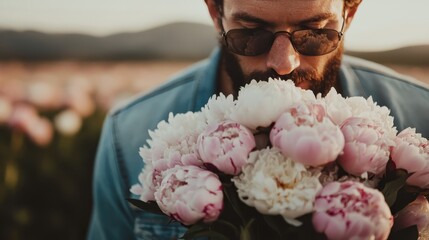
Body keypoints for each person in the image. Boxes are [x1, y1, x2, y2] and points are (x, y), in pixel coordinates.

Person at [87, 0, 429, 239]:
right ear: (215, 12)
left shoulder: (420, 114)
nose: (284, 63)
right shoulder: (127, 135)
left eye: (315, 33)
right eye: (251, 33)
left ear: (349, 15)